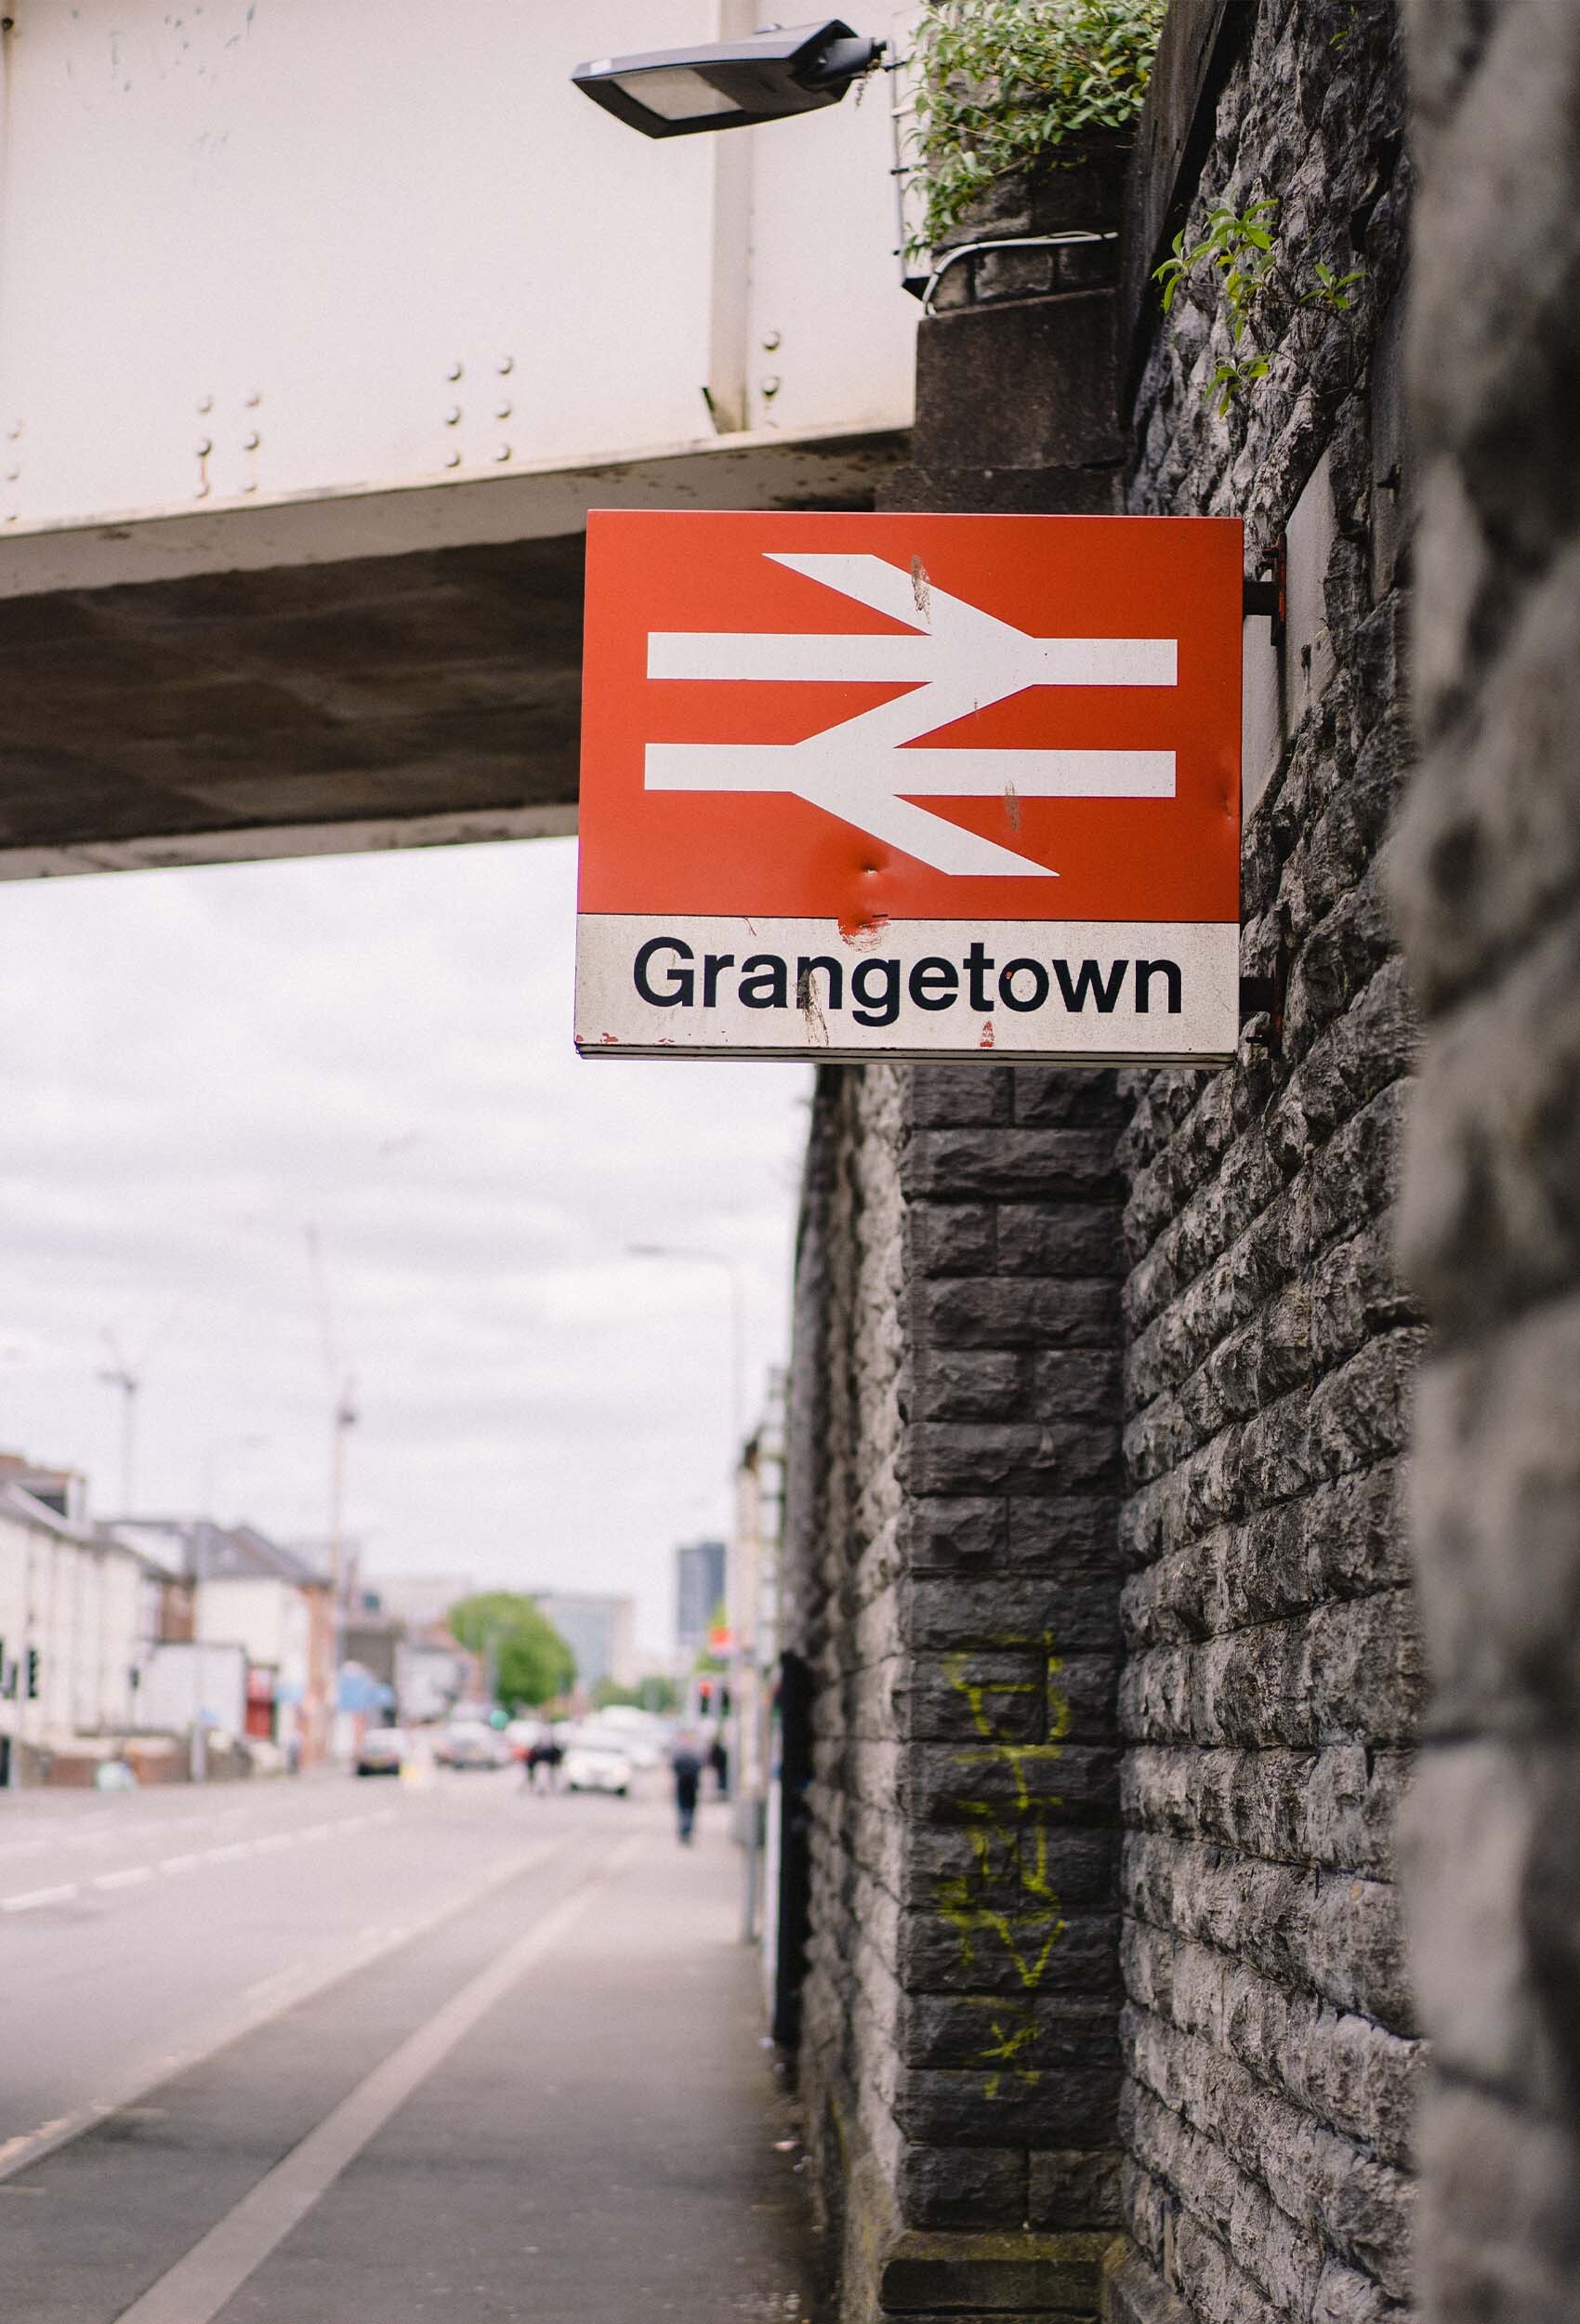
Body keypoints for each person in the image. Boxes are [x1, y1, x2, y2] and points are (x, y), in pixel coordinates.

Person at [671, 1732, 704, 1844]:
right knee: (689, 1809)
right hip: (691, 1785)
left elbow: (674, 1767)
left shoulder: (680, 1753)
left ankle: (684, 1830)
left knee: (683, 1808)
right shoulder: (695, 1754)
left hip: (683, 1785)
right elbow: (699, 1767)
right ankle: (687, 1829)